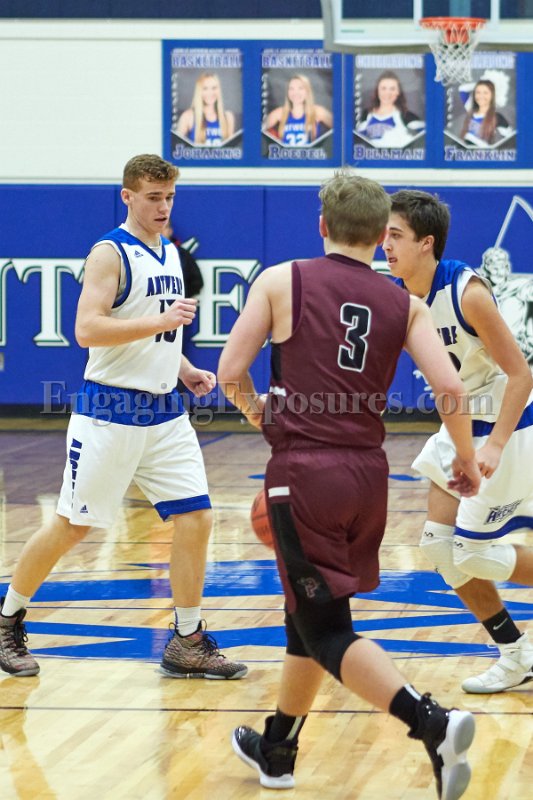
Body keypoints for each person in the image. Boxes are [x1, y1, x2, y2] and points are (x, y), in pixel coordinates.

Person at [218, 169, 480, 799]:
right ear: (379, 235)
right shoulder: (406, 303)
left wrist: (259, 416)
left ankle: (431, 723)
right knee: (308, 616)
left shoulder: (281, 280)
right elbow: (450, 387)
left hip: (304, 473)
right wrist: (467, 458)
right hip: (368, 476)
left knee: (329, 629)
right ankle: (278, 747)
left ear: (323, 225)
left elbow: (230, 370)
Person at [0, 154, 247, 682]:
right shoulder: (108, 253)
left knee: (197, 517)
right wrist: (161, 321)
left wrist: (184, 369)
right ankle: (7, 619)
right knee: (73, 525)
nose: (164, 207)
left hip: (165, 411)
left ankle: (187, 640)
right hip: (110, 410)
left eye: (170, 197)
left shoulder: (170, 252)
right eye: (154, 197)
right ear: (128, 197)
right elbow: (86, 329)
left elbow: (158, 333)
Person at [383, 189, 533, 694]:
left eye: (396, 235)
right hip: (461, 425)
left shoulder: (466, 293)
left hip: (508, 424)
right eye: (384, 235)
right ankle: (516, 654)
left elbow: (521, 374)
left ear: (426, 243)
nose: (385, 245)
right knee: (438, 547)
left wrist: (493, 447)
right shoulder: (401, 298)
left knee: (472, 555)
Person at [357, 70, 424, 148]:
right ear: (377, 91)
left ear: (398, 92)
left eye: (392, 89)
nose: (387, 93)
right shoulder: (366, 114)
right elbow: (357, 141)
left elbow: (425, 138)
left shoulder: (406, 116)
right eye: (383, 88)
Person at [263, 74, 332, 147]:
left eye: (300, 88)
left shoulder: (317, 111)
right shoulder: (279, 113)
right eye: (291, 88)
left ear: (307, 91)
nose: (295, 92)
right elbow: (257, 132)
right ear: (288, 92)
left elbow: (340, 130)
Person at [176, 72, 235, 146]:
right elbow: (175, 147)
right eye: (205, 88)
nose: (210, 93)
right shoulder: (188, 116)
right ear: (199, 91)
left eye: (214, 88)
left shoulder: (228, 117)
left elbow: (232, 149)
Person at [459, 79, 512, 147]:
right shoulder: (471, 109)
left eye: (485, 93)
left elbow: (511, 139)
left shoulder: (496, 117)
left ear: (492, 95)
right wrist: (481, 84)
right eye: (478, 92)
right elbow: (462, 89)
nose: (481, 96)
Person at [162, 220, 204, 299]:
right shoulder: (142, 254)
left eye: (164, 227)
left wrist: (182, 296)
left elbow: (197, 282)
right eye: (158, 227)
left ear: (170, 231)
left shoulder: (183, 255)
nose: (160, 231)